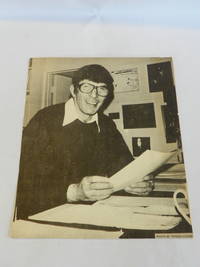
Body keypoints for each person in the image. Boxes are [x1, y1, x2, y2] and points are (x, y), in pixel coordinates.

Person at [16, 64, 153, 219]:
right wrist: (74, 193)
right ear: (73, 90)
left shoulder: (107, 124)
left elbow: (123, 168)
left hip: (94, 214)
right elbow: (21, 181)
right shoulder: (45, 120)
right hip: (44, 217)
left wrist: (136, 182)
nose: (94, 95)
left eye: (102, 89)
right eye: (87, 87)